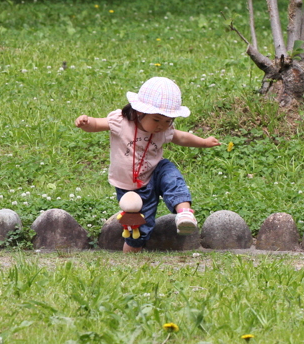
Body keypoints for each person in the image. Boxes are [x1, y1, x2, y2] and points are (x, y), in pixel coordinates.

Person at [75, 77, 220, 253]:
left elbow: (181, 137)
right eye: (157, 120)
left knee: (170, 173)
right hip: (131, 188)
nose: (162, 126)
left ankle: (184, 214)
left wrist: (203, 142)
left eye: (168, 121)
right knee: (139, 226)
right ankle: (130, 255)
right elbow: (98, 124)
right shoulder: (122, 122)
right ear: (139, 112)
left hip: (154, 172)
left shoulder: (165, 130)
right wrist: (86, 123)